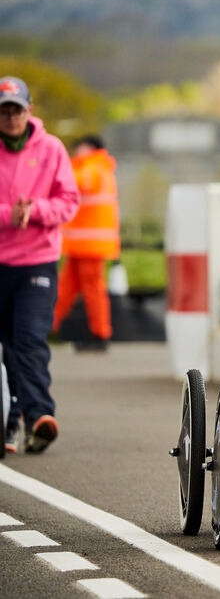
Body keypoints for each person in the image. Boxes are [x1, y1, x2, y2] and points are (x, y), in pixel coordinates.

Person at [0, 76, 80, 454]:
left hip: (37, 262)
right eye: (4, 110)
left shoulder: (51, 149)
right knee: (5, 347)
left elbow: (69, 200)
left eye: (16, 109)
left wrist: (35, 211)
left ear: (29, 110)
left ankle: (38, 417)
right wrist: (7, 216)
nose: (11, 117)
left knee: (29, 342)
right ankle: (11, 418)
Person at [52, 135, 120, 350]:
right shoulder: (99, 168)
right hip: (83, 245)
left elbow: (71, 182)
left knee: (91, 290)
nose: (75, 152)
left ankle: (100, 335)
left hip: (89, 245)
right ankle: (43, 329)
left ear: (89, 148)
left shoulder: (92, 167)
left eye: (78, 148)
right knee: (65, 289)